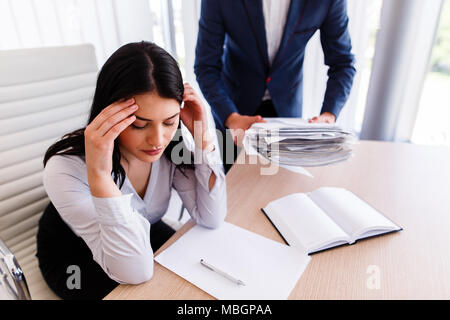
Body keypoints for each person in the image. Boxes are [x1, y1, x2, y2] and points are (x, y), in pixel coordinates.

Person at [36, 41, 227, 300]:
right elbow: (136, 272)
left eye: (170, 122)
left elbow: (211, 217)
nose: (158, 140)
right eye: (139, 125)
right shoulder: (63, 168)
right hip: (73, 254)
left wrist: (204, 138)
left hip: (139, 230)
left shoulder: (170, 149)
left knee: (196, 276)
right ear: (108, 113)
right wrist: (100, 177)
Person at [194, 0, 356, 172]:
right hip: (233, 110)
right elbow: (206, 67)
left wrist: (329, 115)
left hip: (287, 111)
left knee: (285, 185)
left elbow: (343, 63)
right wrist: (230, 117)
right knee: (235, 186)